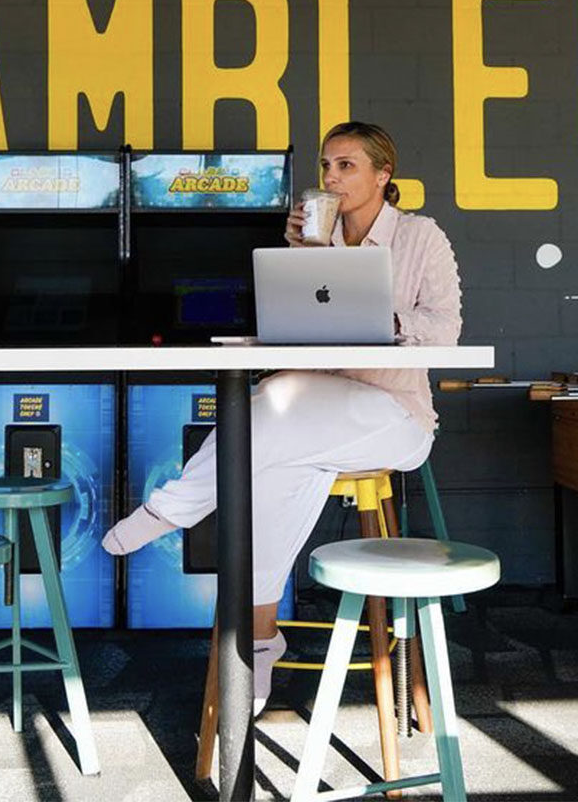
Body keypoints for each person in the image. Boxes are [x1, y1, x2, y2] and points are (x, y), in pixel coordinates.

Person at [102, 121, 462, 713]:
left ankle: (176, 505)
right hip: (313, 413)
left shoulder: (422, 238)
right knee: (268, 447)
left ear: (382, 175)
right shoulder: (317, 237)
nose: (331, 178)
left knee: (268, 411)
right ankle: (261, 642)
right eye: (326, 166)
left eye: (346, 165)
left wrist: (384, 322)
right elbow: (296, 341)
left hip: (395, 416)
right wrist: (305, 260)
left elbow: (446, 331)